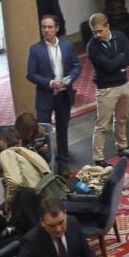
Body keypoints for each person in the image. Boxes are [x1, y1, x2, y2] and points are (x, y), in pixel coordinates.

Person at [26, 14, 82, 168]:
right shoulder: (36, 50)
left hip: (63, 94)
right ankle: (45, 163)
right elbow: (31, 74)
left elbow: (76, 66)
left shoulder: (67, 45)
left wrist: (69, 79)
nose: (46, 30)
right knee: (43, 131)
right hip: (45, 96)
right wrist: (50, 83)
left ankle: (63, 161)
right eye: (44, 27)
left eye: (50, 27)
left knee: (63, 128)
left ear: (57, 28)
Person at [86, 11, 129, 164]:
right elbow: (107, 67)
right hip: (106, 89)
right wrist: (120, 57)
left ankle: (122, 147)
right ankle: (98, 158)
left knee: (121, 119)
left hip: (123, 84)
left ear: (108, 26)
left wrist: (116, 61)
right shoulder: (92, 46)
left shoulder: (119, 37)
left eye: (100, 31)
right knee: (102, 125)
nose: (97, 35)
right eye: (94, 32)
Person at [0, 119, 53, 199]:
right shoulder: (28, 151)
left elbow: (15, 182)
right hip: (44, 192)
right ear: (19, 141)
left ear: (1, 142)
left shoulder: (6, 154)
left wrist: (10, 200)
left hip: (30, 197)